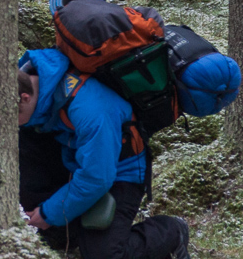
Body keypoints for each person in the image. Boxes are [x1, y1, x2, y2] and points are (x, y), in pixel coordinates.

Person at [18, 48, 191, 259]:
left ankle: (172, 231)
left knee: (104, 254)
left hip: (122, 170)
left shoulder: (90, 109)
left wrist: (48, 214)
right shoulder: (27, 79)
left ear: (25, 98)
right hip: (76, 158)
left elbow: (97, 178)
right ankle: (65, 232)